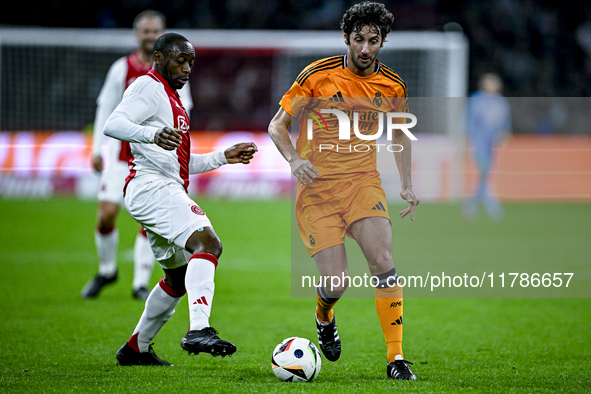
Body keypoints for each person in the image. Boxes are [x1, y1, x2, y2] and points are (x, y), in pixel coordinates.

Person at [267, 1, 419, 381]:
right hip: (317, 191)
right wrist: (293, 161)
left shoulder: (393, 86)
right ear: (347, 39)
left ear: (382, 42)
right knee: (336, 282)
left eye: (373, 40)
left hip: (362, 184)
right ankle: (324, 313)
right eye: (358, 39)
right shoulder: (316, 76)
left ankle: (396, 359)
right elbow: (277, 126)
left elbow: (399, 132)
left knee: (383, 261)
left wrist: (406, 182)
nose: (365, 48)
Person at [103, 32, 258, 365]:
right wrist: (151, 134)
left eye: (191, 62)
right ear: (159, 58)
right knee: (208, 243)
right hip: (152, 187)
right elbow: (113, 123)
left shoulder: (173, 99)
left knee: (176, 278)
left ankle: (136, 348)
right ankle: (198, 328)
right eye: (180, 60)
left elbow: (180, 164)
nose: (187, 68)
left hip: (159, 186)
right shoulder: (148, 86)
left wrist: (223, 157)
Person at [82, 10, 194, 300]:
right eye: (145, 31)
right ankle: (107, 270)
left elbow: (184, 113)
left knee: (150, 223)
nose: (150, 35)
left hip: (155, 162)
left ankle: (140, 284)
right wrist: (97, 149)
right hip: (121, 158)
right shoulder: (122, 69)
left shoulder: (176, 70)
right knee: (106, 215)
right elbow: (105, 111)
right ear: (137, 34)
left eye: (155, 30)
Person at [464, 73, 511, 220]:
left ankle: (470, 206)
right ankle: (493, 207)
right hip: (479, 143)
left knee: (485, 176)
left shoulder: (501, 102)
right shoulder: (476, 100)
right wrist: (468, 140)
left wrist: (504, 135)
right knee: (484, 173)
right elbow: (468, 121)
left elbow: (505, 123)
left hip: (493, 145)